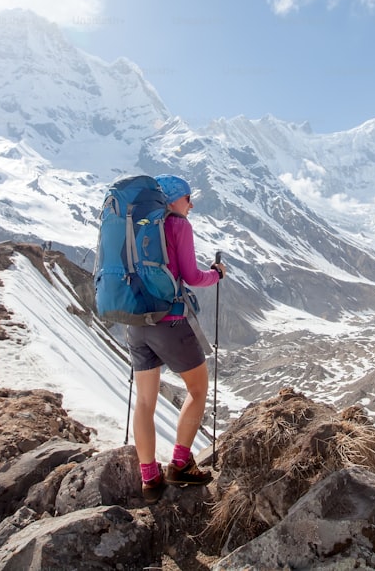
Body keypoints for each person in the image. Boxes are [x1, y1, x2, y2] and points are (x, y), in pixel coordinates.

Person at [128, 174, 227, 504]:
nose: (191, 204)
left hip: (135, 322)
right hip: (169, 321)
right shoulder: (177, 225)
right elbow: (192, 276)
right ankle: (180, 463)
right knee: (198, 389)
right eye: (187, 197)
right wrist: (218, 274)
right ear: (173, 200)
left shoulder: (133, 224)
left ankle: (149, 478)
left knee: (144, 401)